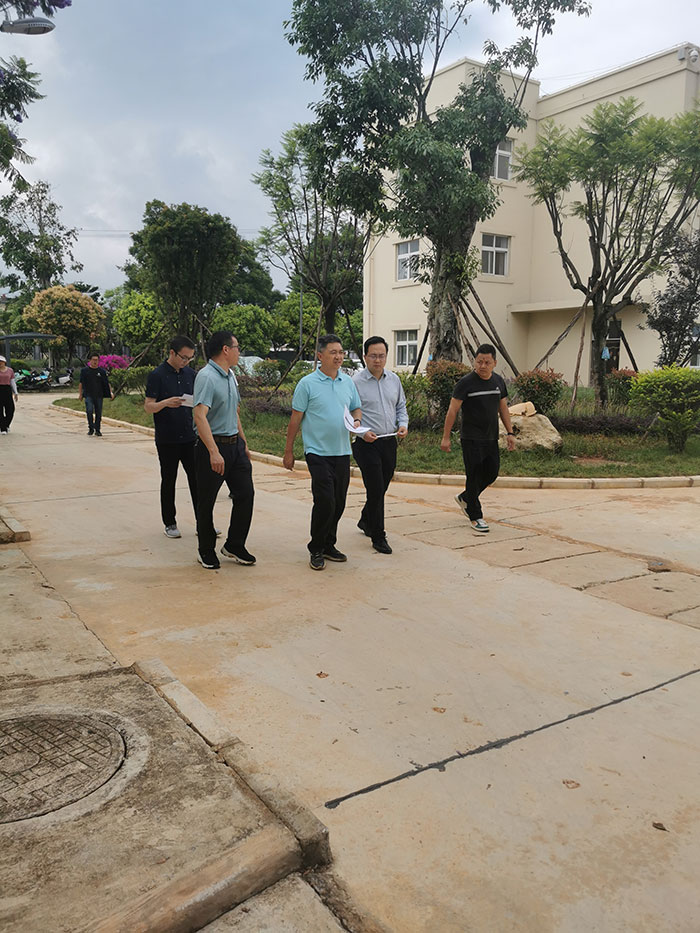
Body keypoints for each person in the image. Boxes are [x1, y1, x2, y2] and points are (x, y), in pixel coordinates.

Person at [283, 334, 362, 571]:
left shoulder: (347, 382)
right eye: (333, 352)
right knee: (325, 500)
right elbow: (295, 419)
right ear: (320, 355)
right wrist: (288, 451)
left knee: (339, 502)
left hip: (342, 451)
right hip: (316, 451)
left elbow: (356, 408)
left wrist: (357, 421)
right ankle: (316, 547)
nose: (338, 357)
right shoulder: (307, 384)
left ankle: (329, 544)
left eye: (341, 352)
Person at [193, 330, 255, 570]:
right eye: (237, 347)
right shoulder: (207, 377)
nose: (239, 352)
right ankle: (206, 550)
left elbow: (234, 412)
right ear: (226, 350)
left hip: (234, 446)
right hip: (213, 446)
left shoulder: (230, 376)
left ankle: (235, 545)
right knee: (206, 501)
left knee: (245, 495)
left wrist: (243, 442)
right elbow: (199, 415)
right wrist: (213, 451)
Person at [440, 343, 516, 532]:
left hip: (491, 437)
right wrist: (446, 437)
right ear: (474, 362)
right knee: (473, 476)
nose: (482, 366)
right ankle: (475, 516)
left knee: (492, 473)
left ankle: (466, 497)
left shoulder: (498, 382)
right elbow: (452, 410)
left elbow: (503, 408)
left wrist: (510, 432)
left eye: (487, 362)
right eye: (479, 361)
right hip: (471, 438)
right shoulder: (466, 383)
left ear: (494, 363)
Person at [351, 336, 409, 554]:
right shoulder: (355, 383)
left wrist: (403, 424)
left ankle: (366, 519)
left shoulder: (394, 380)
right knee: (375, 488)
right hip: (366, 443)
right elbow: (348, 414)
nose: (377, 360)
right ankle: (378, 536)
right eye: (373, 356)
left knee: (382, 486)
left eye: (381, 356)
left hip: (389, 441)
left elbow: (401, 407)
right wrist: (362, 432)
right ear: (365, 356)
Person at [144, 336, 199, 539]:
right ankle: (170, 522)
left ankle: (203, 522)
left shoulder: (191, 375)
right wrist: (165, 403)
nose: (186, 362)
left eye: (190, 358)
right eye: (183, 357)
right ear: (172, 353)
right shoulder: (157, 375)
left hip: (189, 436)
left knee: (197, 480)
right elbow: (148, 406)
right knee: (169, 480)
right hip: (167, 438)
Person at [78, 352, 113, 436]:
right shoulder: (84, 371)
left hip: (99, 395)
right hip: (88, 395)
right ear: (90, 360)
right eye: (93, 360)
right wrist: (80, 394)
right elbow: (81, 383)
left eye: (96, 360)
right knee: (89, 410)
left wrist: (110, 392)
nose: (95, 362)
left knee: (98, 412)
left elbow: (107, 383)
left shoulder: (102, 372)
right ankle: (91, 427)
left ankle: (97, 429)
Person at [0, 355, 18, 434]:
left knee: (10, 409)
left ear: (4, 362)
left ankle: (6, 424)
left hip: (7, 390)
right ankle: (3, 428)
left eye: (1, 362)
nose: (0, 363)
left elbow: (12, 382)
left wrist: (15, 392)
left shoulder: (10, 370)